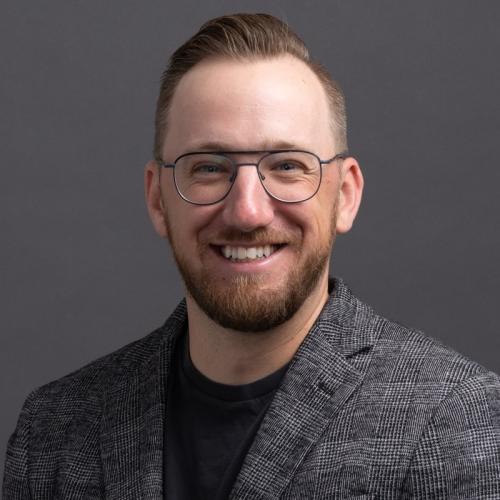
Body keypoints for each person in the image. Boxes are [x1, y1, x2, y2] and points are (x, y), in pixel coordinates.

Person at [3, 12, 500, 499]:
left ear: (345, 195)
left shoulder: (452, 420)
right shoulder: (54, 430)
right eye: (208, 167)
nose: (247, 212)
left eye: (287, 166)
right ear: (157, 199)